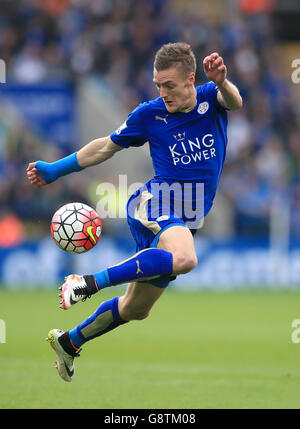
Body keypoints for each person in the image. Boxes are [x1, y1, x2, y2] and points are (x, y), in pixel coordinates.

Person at [27, 42, 242, 382]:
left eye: (169, 85)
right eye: (158, 84)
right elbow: (104, 147)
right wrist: (56, 169)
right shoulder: (149, 114)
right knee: (186, 259)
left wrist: (222, 81)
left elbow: (234, 101)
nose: (163, 92)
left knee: (135, 309)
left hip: (187, 220)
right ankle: (87, 283)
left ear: (190, 79)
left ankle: (70, 342)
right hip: (155, 202)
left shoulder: (209, 97)